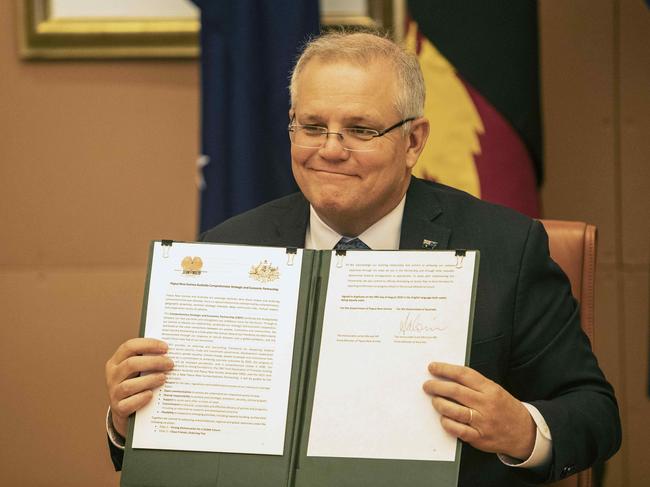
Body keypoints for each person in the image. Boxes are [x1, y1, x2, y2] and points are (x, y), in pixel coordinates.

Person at [105, 31, 620, 485]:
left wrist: (521, 429)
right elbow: (178, 447)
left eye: (361, 129)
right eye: (311, 126)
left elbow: (596, 415)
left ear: (413, 140)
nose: (329, 149)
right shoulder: (226, 250)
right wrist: (131, 420)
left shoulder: (506, 246)